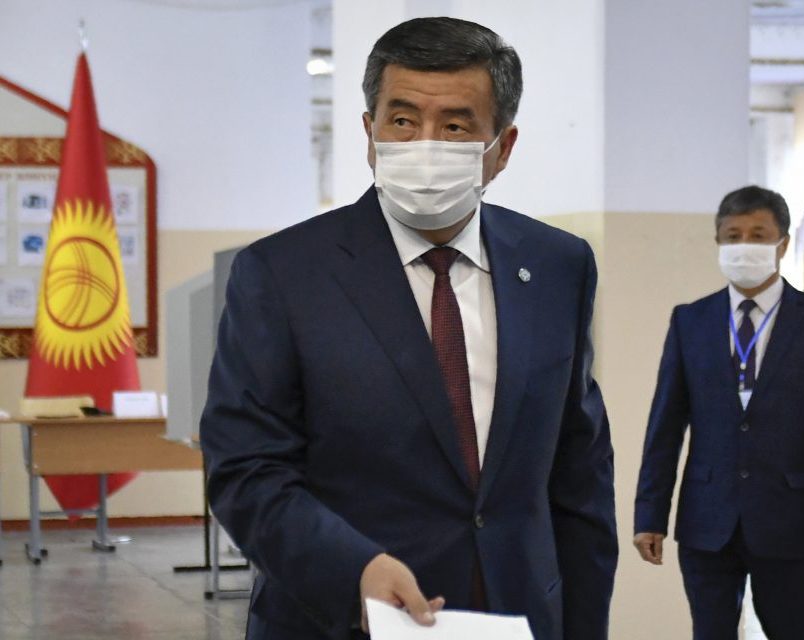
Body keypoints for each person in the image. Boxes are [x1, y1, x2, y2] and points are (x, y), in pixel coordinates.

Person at [200, 16, 617, 640]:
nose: (424, 144)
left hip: (516, 613)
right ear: (369, 134)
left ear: (501, 148)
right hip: (342, 619)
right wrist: (351, 569)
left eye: (455, 126)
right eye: (402, 121)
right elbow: (246, 469)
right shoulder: (282, 274)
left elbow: (577, 473)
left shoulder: (558, 266)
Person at [633, 185, 804, 640]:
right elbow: (665, 426)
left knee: (799, 631)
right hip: (707, 523)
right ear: (718, 244)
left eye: (758, 234)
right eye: (732, 236)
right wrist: (650, 514)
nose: (744, 246)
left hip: (792, 523)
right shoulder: (691, 320)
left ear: (782, 244)